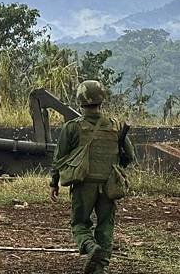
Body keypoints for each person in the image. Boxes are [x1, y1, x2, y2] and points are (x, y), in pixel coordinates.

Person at [50, 80, 135, 274]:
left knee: (79, 223)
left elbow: (59, 158)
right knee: (105, 226)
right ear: (102, 99)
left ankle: (89, 246)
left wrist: (54, 183)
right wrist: (116, 167)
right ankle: (100, 268)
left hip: (83, 184)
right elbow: (130, 156)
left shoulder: (72, 127)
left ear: (80, 100)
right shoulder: (115, 126)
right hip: (109, 185)